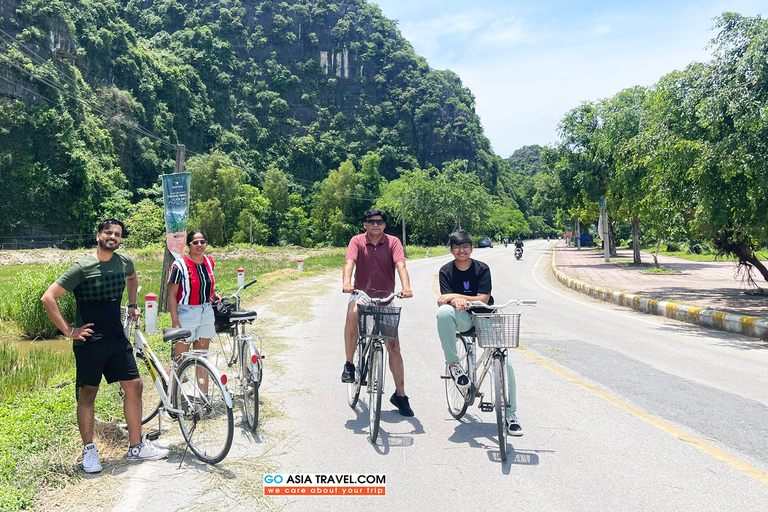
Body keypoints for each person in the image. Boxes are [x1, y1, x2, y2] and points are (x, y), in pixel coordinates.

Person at [41, 218, 168, 474]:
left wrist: (133, 304)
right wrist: (69, 330)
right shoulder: (82, 267)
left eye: (117, 234)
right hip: (90, 341)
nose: (113, 236)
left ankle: (136, 447)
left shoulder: (124, 262)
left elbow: (132, 278)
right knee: (88, 393)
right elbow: (49, 297)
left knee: (135, 385)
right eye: (108, 232)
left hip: (116, 336)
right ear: (98, 235)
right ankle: (89, 450)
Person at [435, 230, 523, 436]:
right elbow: (443, 299)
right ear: (451, 250)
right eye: (457, 247)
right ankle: (454, 365)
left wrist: (458, 298)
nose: (461, 250)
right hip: (464, 320)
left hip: (486, 318)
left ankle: (511, 415)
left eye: (465, 246)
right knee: (444, 312)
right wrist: (453, 301)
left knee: (506, 361)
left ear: (472, 248)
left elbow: (483, 299)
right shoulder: (445, 271)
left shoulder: (482, 269)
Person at [341, 209, 414, 416]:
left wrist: (406, 287)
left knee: (394, 346)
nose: (375, 225)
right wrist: (347, 282)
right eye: (371, 222)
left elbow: (401, 265)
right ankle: (349, 364)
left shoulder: (393, 242)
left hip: (386, 297)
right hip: (362, 293)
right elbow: (349, 263)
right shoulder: (356, 241)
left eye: (379, 222)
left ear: (385, 225)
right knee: (353, 312)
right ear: (365, 225)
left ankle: (400, 396)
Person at [167, 230, 220, 361]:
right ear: (189, 245)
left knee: (202, 358)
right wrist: (175, 322)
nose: (199, 245)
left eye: (203, 242)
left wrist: (212, 294)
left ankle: (203, 382)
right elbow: (172, 295)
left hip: (206, 312)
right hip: (187, 313)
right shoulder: (179, 265)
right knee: (179, 359)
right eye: (195, 242)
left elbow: (204, 282)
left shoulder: (209, 261)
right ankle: (171, 382)